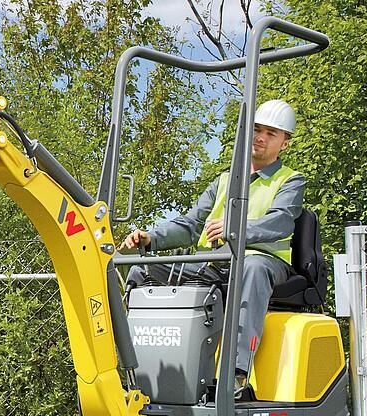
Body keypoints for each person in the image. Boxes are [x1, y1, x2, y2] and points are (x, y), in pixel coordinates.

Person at [120, 99, 304, 398]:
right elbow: (191, 224)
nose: (260, 137)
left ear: (284, 143)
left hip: (262, 262)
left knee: (252, 267)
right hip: (214, 263)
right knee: (143, 269)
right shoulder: (224, 181)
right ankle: (131, 366)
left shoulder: (290, 180)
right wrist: (150, 237)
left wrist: (237, 230)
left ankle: (236, 372)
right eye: (257, 129)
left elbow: (281, 222)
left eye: (271, 133)